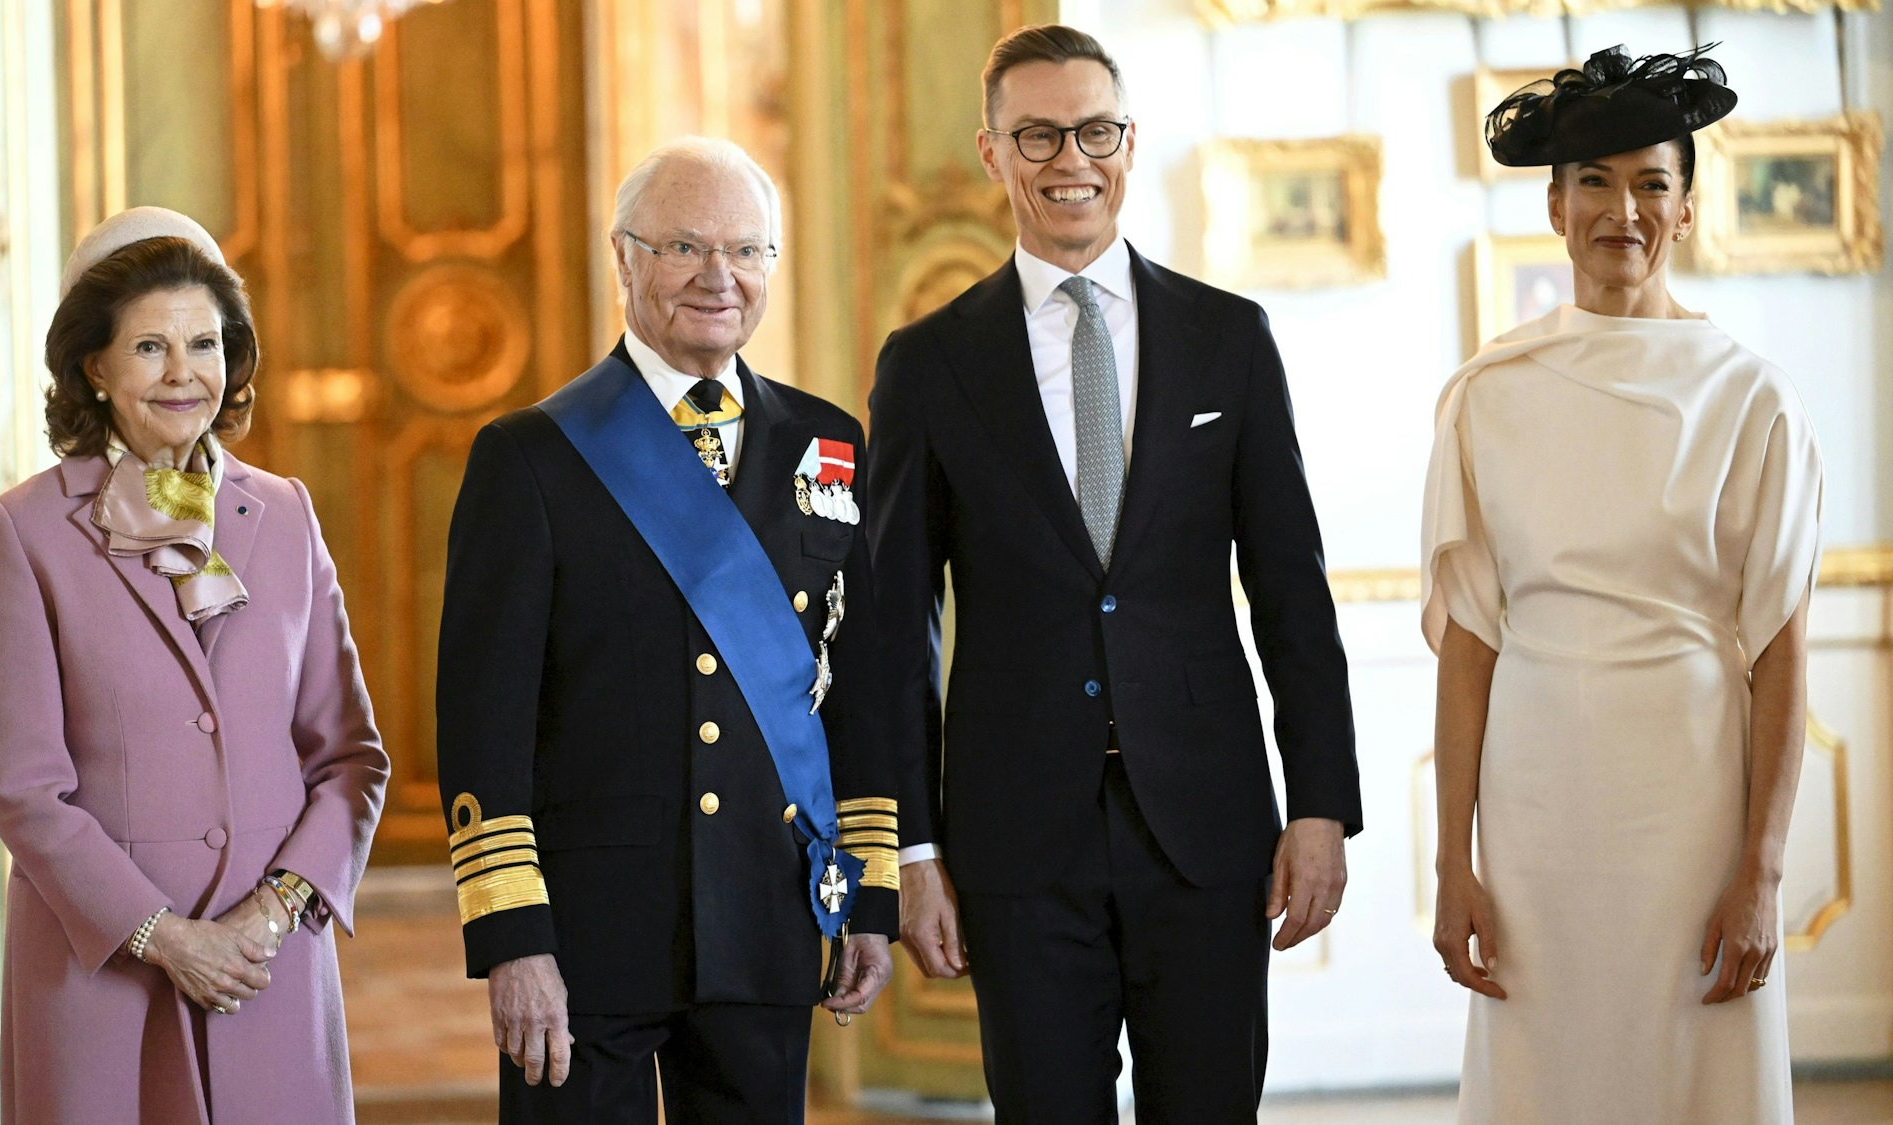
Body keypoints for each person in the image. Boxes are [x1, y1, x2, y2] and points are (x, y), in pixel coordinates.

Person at [867, 25, 1362, 1123]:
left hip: (1206, 827)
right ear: (991, 153)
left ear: (1128, 141)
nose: (1067, 160)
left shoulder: (1227, 339)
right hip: (1012, 840)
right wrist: (908, 845)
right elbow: (898, 634)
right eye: (1035, 135)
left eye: (1092, 130)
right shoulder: (927, 364)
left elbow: (1290, 588)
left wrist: (1321, 804)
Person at [436, 137, 897, 1124]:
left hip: (767, 922)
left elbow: (860, 691)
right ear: (625, 258)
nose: (717, 276)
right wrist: (513, 936)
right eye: (684, 245)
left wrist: (868, 893)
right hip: (586, 937)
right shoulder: (531, 458)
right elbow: (485, 725)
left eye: (746, 249)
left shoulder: (826, 445)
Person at [1424, 45, 1820, 1125]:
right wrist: (1449, 862)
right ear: (1552, 206)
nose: (1621, 211)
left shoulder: (1752, 399)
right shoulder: (1486, 394)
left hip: (1691, 804)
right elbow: (1469, 647)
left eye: (1649, 182)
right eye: (1592, 182)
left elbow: (1779, 656)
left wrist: (1762, 873)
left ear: (1686, 209)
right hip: (1536, 810)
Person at [0, 206, 390, 1124]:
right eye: (150, 346)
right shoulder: (26, 528)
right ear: (95, 365)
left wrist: (269, 917)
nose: (182, 373)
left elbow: (352, 759)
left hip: (266, 973)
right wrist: (166, 938)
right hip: (103, 977)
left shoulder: (285, 512)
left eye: (204, 343)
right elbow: (24, 788)